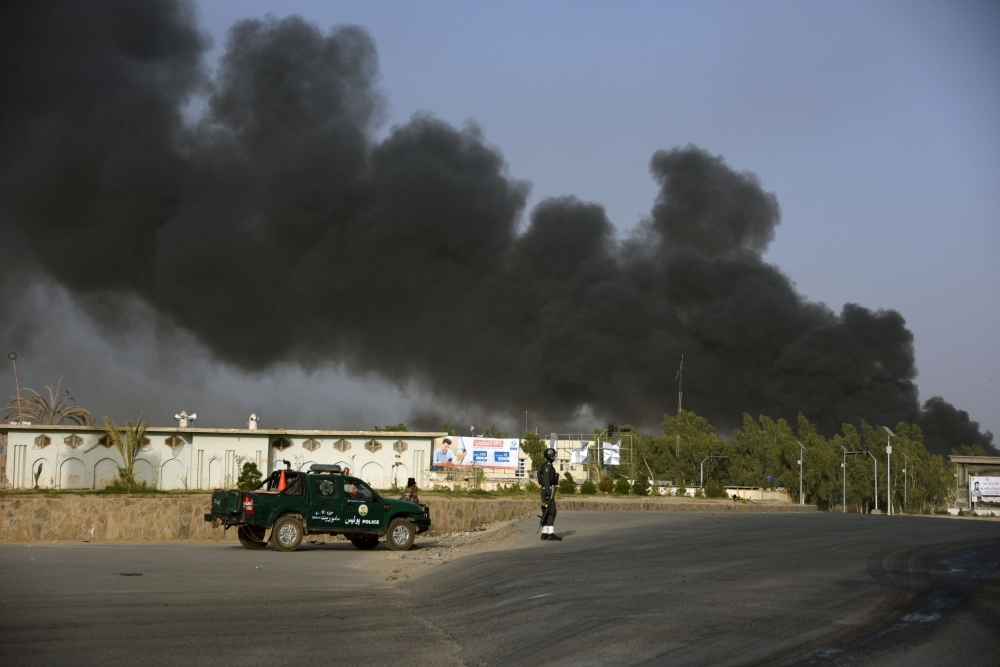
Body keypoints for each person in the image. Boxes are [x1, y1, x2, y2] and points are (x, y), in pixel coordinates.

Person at [537, 447, 561, 541]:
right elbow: (546, 480)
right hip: (548, 491)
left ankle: (544, 533)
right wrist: (548, 494)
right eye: (554, 455)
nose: (555, 456)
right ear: (550, 456)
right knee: (551, 511)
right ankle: (550, 533)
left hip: (547, 490)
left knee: (546, 511)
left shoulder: (547, 465)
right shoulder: (547, 466)